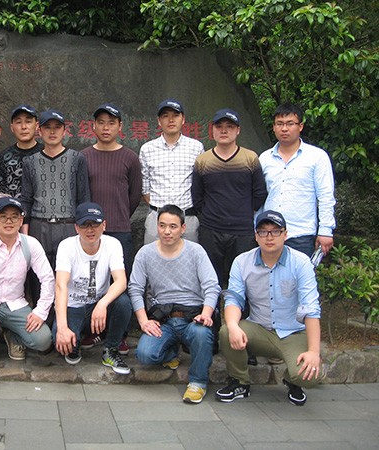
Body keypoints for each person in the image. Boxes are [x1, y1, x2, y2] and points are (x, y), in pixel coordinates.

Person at [216, 210, 322, 406]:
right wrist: (232, 326)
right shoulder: (242, 261)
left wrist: (314, 352)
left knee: (310, 376)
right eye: (263, 232)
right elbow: (234, 299)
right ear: (256, 236)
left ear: (285, 234)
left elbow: (311, 309)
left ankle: (292, 381)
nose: (269, 237)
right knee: (226, 331)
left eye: (275, 231)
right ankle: (240, 382)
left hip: (293, 332)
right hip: (259, 329)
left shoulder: (300, 262)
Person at [129, 204, 221, 403]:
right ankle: (171, 352)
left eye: (173, 226)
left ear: (183, 228)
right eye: (162, 225)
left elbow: (212, 286)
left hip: (192, 318)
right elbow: (135, 288)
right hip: (164, 320)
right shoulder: (145, 253)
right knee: (145, 354)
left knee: (202, 334)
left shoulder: (196, 252)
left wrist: (206, 313)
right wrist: (144, 321)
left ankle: (198, 382)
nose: (167, 231)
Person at [0, 197, 55, 372]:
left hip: (16, 304)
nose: (9, 221)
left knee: (43, 340)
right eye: (3, 216)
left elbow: (48, 278)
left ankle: (13, 336)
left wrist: (40, 311)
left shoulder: (31, 244)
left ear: (21, 220)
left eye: (14, 217)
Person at [81, 103, 142, 354]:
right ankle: (95, 330)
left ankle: (119, 334)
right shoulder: (84, 156)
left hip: (119, 230)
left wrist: (119, 216)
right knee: (91, 282)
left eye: (111, 123)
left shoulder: (130, 157)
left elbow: (135, 195)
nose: (106, 128)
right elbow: (81, 193)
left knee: (119, 283)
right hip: (90, 231)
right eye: (101, 122)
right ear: (93, 126)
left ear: (120, 127)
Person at [53, 202, 132, 374]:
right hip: (73, 307)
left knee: (123, 302)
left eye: (95, 224)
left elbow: (121, 281)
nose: (90, 230)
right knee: (64, 346)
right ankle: (81, 337)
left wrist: (102, 304)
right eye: (84, 225)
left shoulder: (113, 244)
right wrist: (62, 328)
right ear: (76, 228)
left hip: (99, 306)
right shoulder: (66, 246)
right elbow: (60, 286)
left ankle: (110, 349)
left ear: (104, 225)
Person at [192, 108, 267, 288]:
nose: (224, 131)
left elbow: (260, 193)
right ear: (212, 130)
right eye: (219, 126)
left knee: (243, 279)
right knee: (211, 280)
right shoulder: (203, 160)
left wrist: (242, 211)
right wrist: (211, 213)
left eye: (230, 126)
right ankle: (213, 307)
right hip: (211, 229)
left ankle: (239, 308)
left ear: (238, 130)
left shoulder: (250, 158)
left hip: (242, 230)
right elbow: (197, 196)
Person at [259, 103, 336, 258]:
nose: (284, 129)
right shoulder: (264, 158)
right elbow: (260, 197)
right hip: (269, 234)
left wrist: (325, 230)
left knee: (300, 274)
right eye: (279, 124)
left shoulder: (316, 157)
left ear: (300, 126)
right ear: (273, 127)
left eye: (290, 124)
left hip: (301, 235)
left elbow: (326, 196)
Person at [20, 109, 91, 266]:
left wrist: (84, 229)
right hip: (39, 225)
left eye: (57, 127)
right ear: (39, 131)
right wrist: (25, 233)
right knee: (38, 274)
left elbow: (84, 197)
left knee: (68, 273)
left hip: (69, 225)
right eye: (47, 127)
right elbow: (26, 199)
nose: (52, 132)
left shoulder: (77, 158)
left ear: (64, 131)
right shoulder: (30, 162)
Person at [140, 99, 204, 244]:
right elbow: (145, 187)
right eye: (165, 116)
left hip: (187, 218)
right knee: (153, 256)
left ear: (183, 119)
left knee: (189, 257)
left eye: (175, 115)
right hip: (156, 219)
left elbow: (201, 183)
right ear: (159, 121)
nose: (171, 120)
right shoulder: (147, 149)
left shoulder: (196, 147)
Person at [0, 105, 43, 199]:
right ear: (12, 127)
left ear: (36, 126)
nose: (23, 127)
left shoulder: (46, 154)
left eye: (28, 122)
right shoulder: (4, 157)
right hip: (12, 208)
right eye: (18, 122)